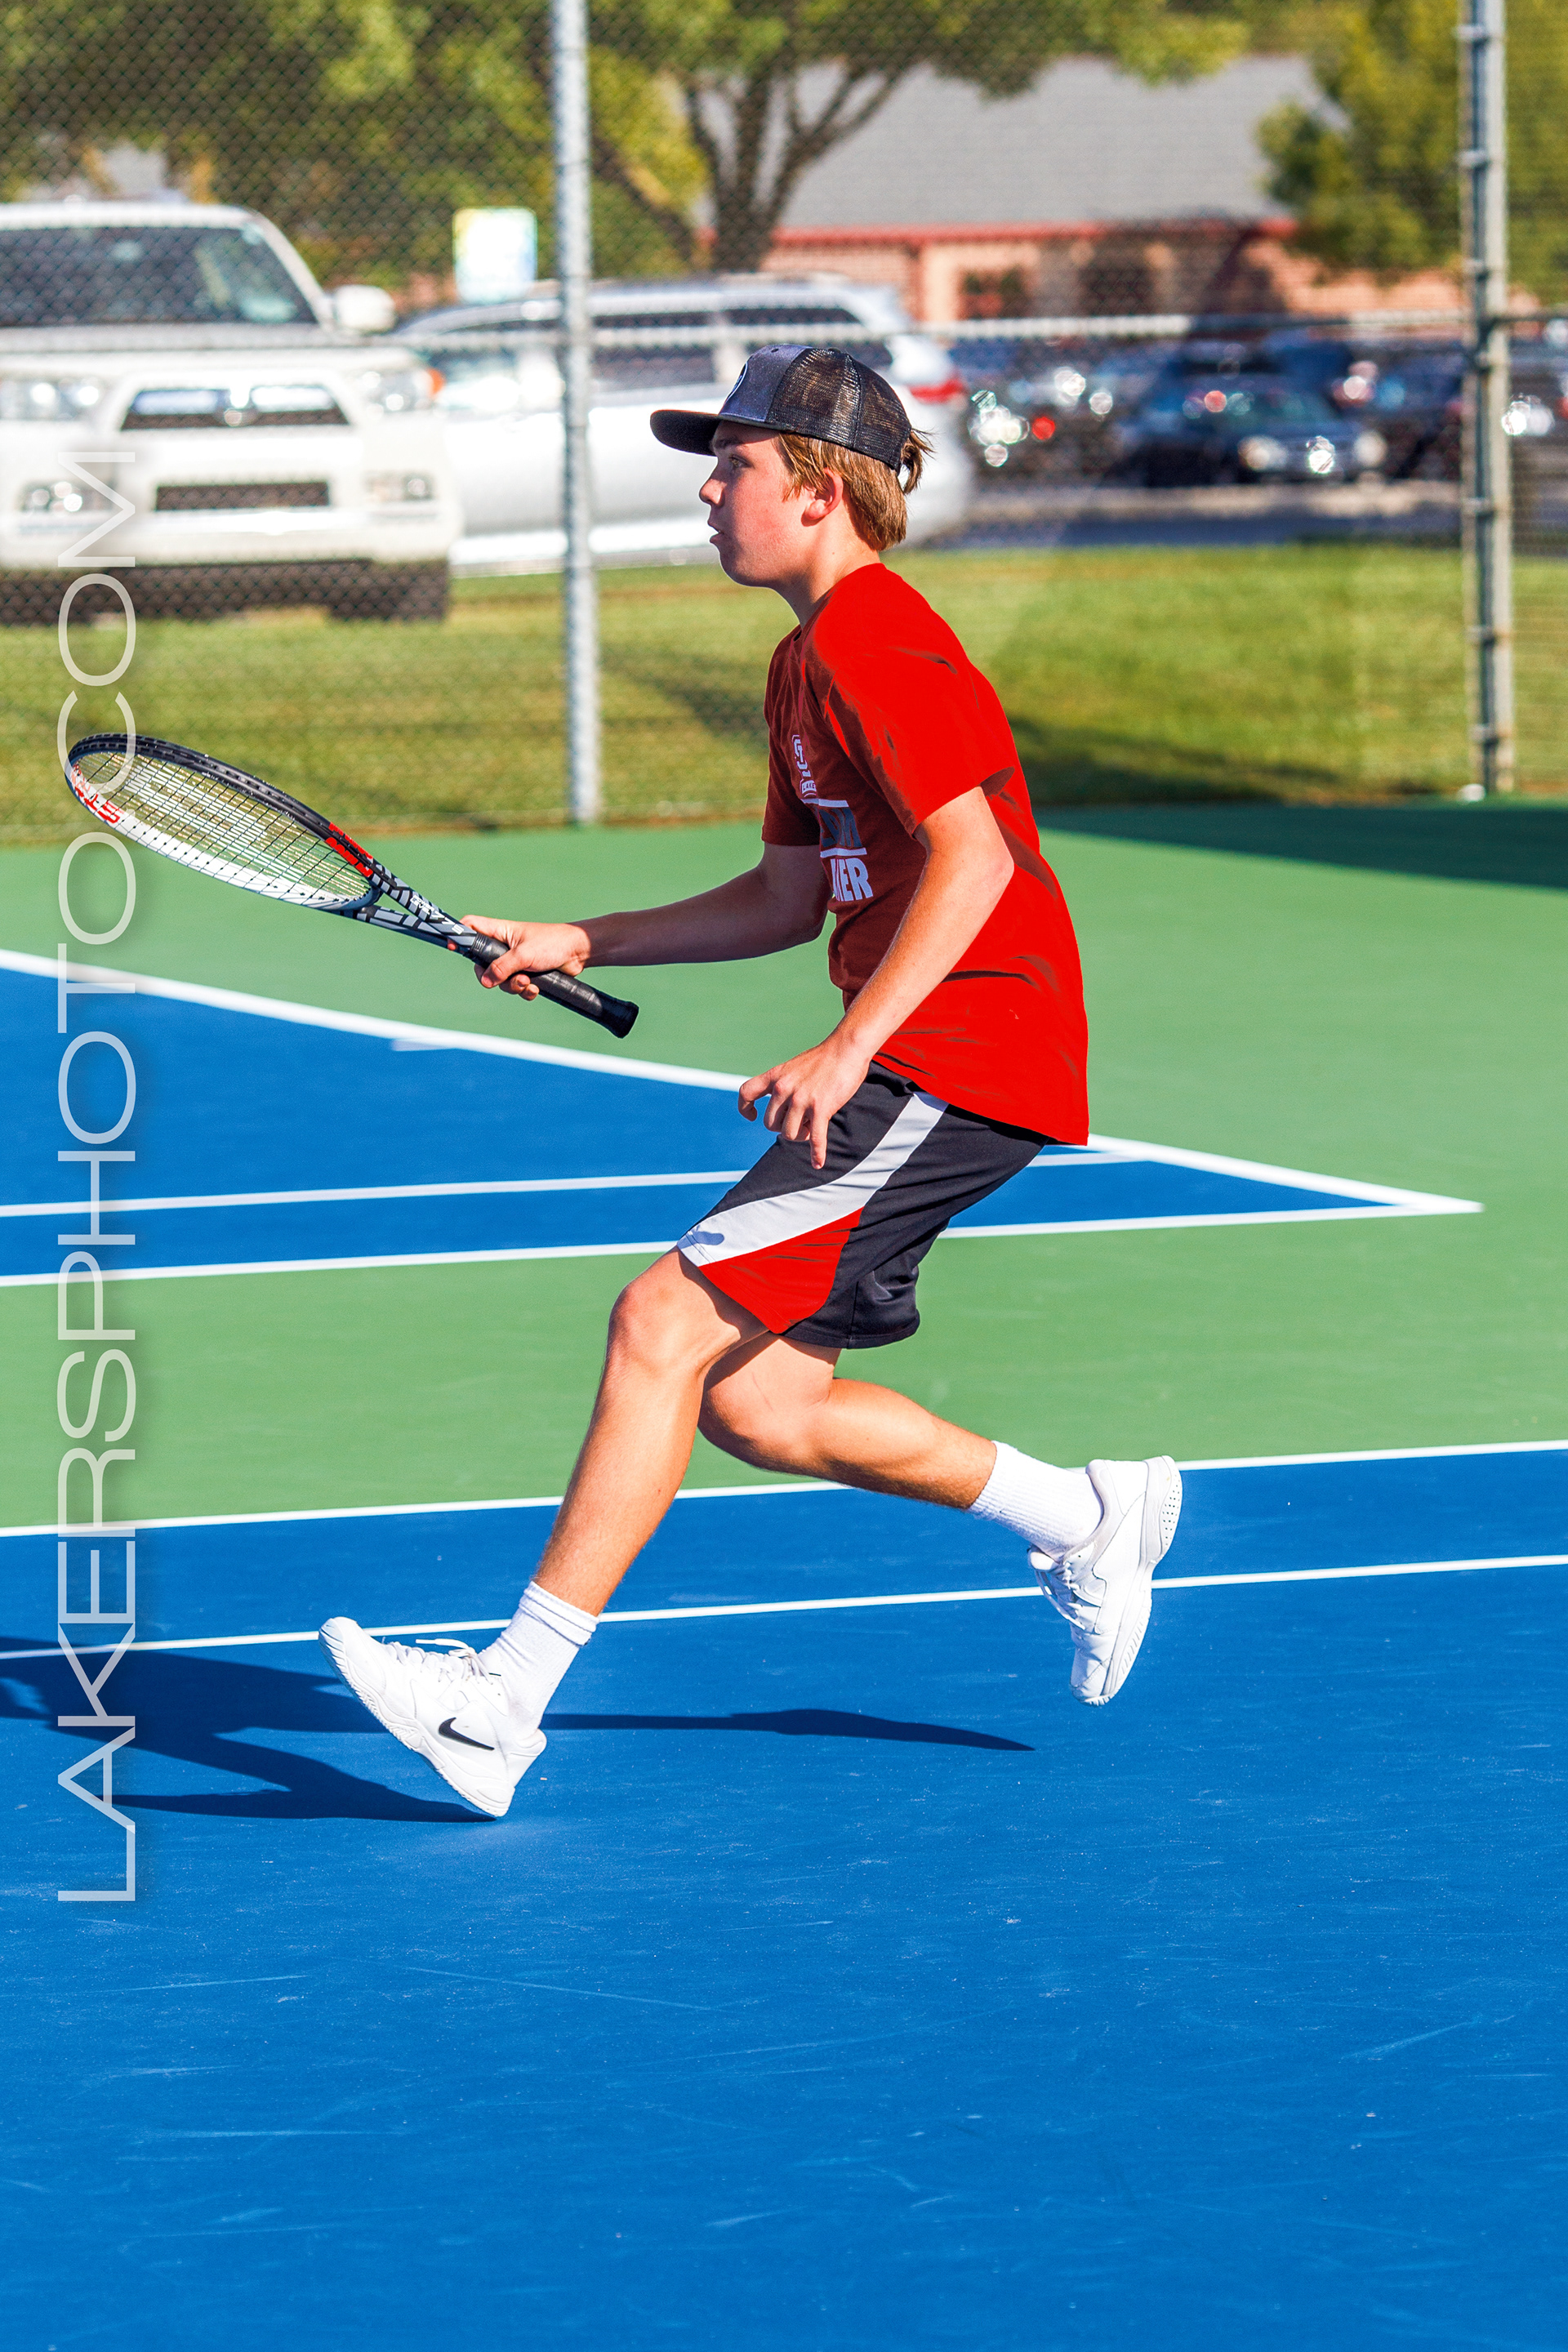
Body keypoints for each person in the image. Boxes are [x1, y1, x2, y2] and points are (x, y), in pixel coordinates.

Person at [320, 345, 1182, 1818]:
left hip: (962, 1051)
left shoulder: (878, 639)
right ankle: (1086, 1516)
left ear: (823, 489)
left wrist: (851, 1046)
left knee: (659, 1323)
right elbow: (790, 897)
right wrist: (584, 936)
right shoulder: (804, 663)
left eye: (736, 466)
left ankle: (499, 1704)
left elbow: (975, 859)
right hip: (935, 1053)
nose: (711, 493)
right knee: (763, 1405)